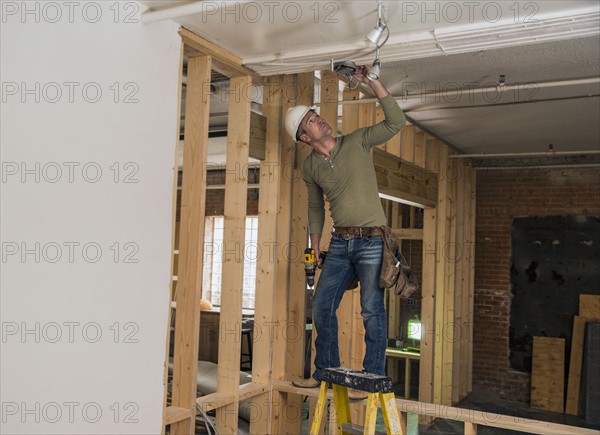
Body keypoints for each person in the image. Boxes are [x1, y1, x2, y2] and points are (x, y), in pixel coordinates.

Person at [285, 65, 406, 400]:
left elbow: (396, 122)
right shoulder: (310, 167)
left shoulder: (358, 141)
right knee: (322, 306)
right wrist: (314, 246)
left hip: (372, 241)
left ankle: (372, 376)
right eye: (311, 121)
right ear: (305, 138)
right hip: (340, 243)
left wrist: (373, 82)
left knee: (371, 308)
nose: (320, 120)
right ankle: (324, 372)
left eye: (316, 115)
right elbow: (314, 207)